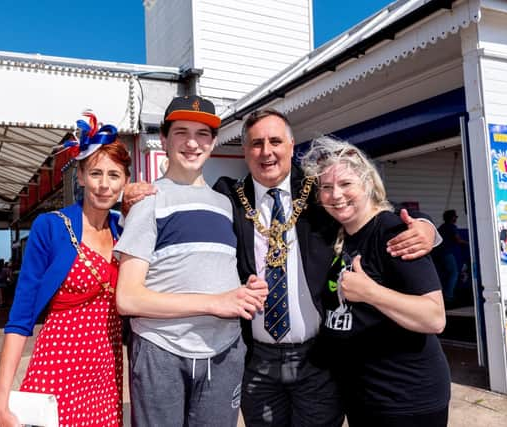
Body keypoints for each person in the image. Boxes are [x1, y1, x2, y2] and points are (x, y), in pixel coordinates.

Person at [125, 107, 438, 426]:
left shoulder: (320, 193)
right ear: (245, 151)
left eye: (275, 141)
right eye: (256, 143)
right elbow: (185, 195)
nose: (266, 151)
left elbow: (365, 207)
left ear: (291, 146)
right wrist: (136, 192)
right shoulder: (228, 197)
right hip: (256, 359)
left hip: (318, 358)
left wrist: (425, 227)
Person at [115, 95, 269, 427]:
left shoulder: (226, 203)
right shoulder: (148, 201)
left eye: (202, 134)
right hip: (162, 350)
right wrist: (215, 303)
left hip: (224, 351)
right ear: (164, 139)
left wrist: (247, 288)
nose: (192, 142)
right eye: (181, 131)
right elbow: (127, 298)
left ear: (213, 142)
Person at [0, 113, 130, 427]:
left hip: (106, 373)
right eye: (95, 173)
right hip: (58, 366)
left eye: (114, 175)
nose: (104, 185)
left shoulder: (125, 229)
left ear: (125, 181)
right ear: (79, 177)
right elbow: (21, 314)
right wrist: (2, 395)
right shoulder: (52, 227)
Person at [300, 136, 450, 427]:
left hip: (405, 398)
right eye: (327, 188)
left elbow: (434, 317)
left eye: (345, 184)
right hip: (362, 396)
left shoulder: (392, 232)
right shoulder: (339, 234)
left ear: (367, 183)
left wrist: (371, 293)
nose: (336, 195)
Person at [436, 209, 468, 303]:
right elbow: (457, 240)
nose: (456, 218)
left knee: (444, 274)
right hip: (446, 253)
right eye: (455, 216)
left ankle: (442, 294)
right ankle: (448, 295)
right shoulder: (452, 227)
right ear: (452, 217)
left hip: (438, 253)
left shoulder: (442, 227)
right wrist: (468, 243)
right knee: (454, 273)